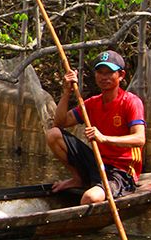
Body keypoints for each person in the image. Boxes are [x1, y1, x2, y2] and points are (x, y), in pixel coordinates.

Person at [45, 49, 145, 205]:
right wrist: (66, 92)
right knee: (53, 134)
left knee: (90, 198)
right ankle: (78, 179)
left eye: (109, 73)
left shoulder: (131, 102)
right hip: (97, 163)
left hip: (121, 171)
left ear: (121, 75)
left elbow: (140, 139)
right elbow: (59, 124)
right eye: (100, 72)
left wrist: (104, 139)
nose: (104, 77)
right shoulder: (92, 103)